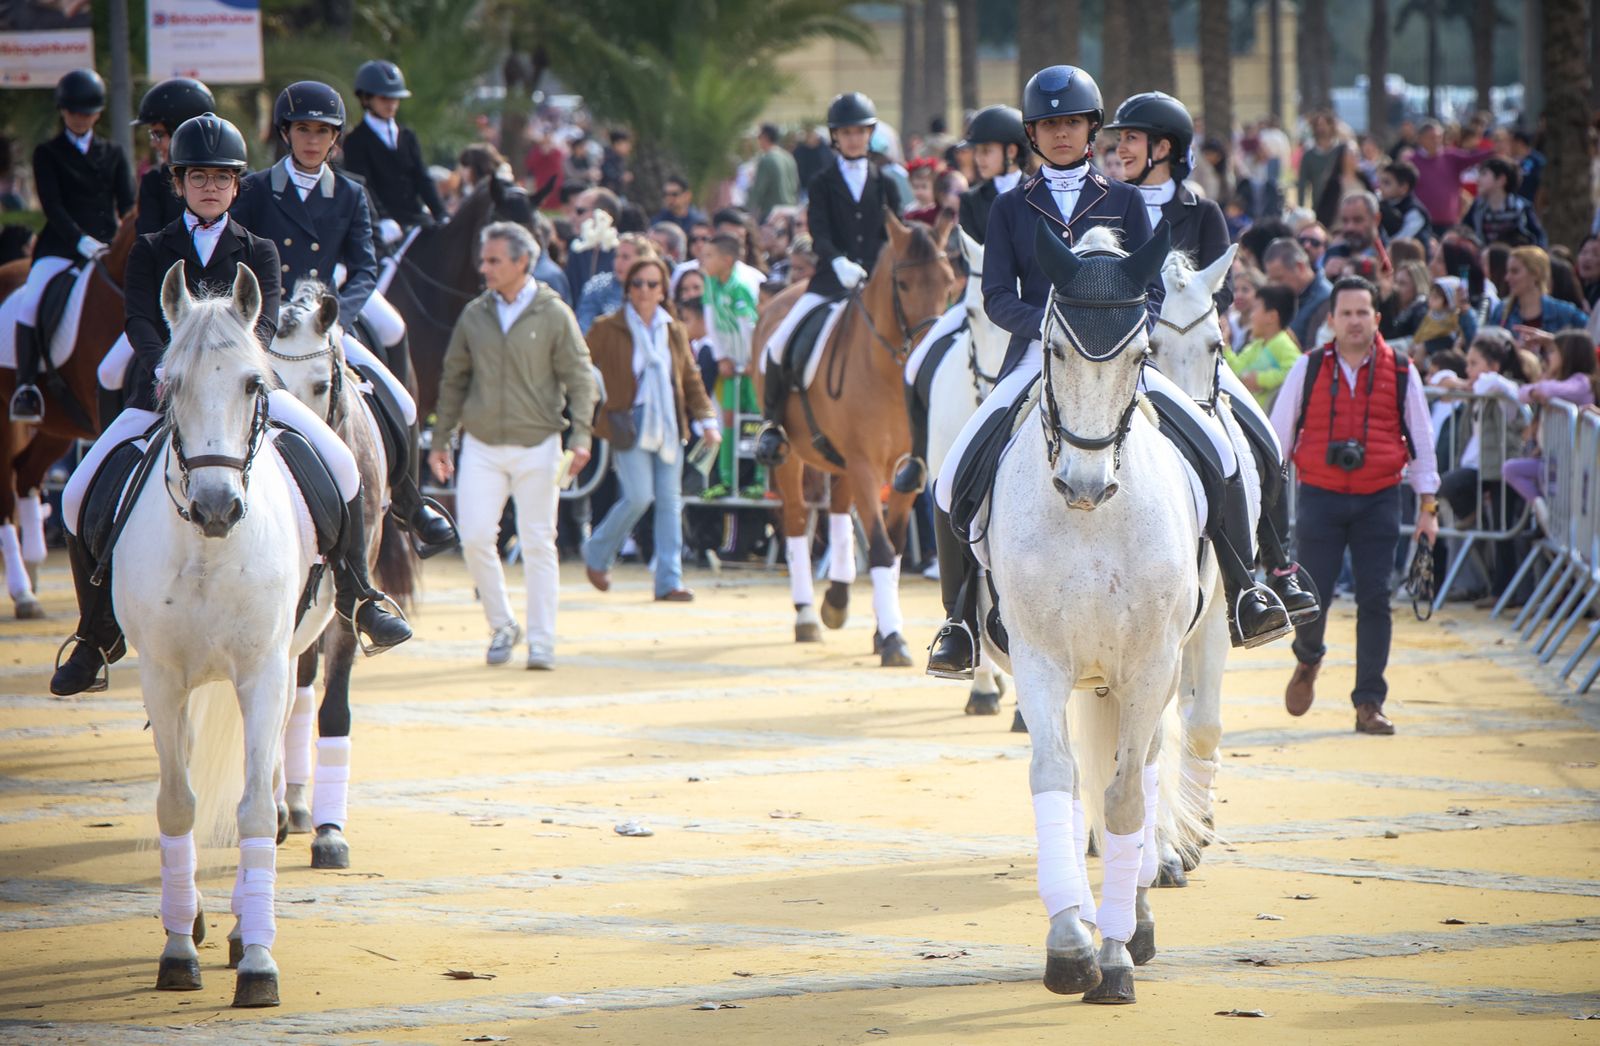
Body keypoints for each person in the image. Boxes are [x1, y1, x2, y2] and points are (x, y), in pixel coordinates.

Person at [924, 65, 1293, 679]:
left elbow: (1151, 286)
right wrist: (1050, 325)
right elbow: (994, 295)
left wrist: (1126, 330)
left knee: (1219, 455)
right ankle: (958, 620)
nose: (1061, 134)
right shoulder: (1012, 208)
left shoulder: (1123, 200)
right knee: (951, 475)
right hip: (1038, 361)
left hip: (1121, 366)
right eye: (1049, 125)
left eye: (1071, 123)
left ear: (1090, 128)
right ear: (1033, 136)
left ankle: (1246, 589)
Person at [49, 113, 411, 695]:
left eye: (221, 178)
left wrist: (242, 369)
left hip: (243, 396)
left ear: (237, 186)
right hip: (166, 393)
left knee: (343, 467)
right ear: (179, 184)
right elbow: (141, 316)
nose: (210, 188)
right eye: (198, 178)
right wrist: (165, 364)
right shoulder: (151, 249)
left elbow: (262, 323)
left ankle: (359, 594)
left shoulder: (259, 250)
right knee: (74, 496)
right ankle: (96, 635)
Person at [1109, 89, 1315, 622]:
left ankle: (1273, 570)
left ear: (1163, 147)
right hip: (1127, 355)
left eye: (1130, 139)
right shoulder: (1108, 203)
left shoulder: (1201, 210)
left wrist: (1192, 308)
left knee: (1263, 445)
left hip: (1194, 355)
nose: (1120, 149)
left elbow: (1222, 290)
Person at [231, 80, 458, 560]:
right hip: (270, 321)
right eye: (304, 130)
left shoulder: (351, 192)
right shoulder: (253, 189)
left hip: (326, 317)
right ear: (286, 133)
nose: (313, 140)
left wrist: (340, 318)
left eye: (323, 131)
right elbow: (242, 259)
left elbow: (366, 267)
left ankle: (411, 502)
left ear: (335, 138)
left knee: (402, 379)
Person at [1270, 276, 1440, 735]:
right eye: (1345, 313)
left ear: (1377, 318)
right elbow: (1278, 438)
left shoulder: (1402, 370)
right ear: (1331, 320)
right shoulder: (1307, 367)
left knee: (1375, 600)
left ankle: (1369, 702)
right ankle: (1308, 660)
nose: (1354, 321)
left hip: (1380, 497)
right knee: (1311, 599)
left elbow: (1422, 443)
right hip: (1321, 496)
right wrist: (1263, 504)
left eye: (1363, 312)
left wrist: (1429, 508)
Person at [429, 222, 598, 669]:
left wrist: (581, 435)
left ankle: (542, 640)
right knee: (476, 536)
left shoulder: (554, 313)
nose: (483, 268)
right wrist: (441, 439)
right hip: (482, 445)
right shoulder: (475, 313)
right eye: (484, 260)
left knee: (540, 541)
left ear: (522, 262)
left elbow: (581, 377)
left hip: (539, 443)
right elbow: (454, 380)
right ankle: (503, 623)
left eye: (493, 260)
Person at [753, 91, 903, 468]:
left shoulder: (885, 181)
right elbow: (818, 231)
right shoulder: (821, 181)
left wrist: (878, 267)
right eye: (846, 132)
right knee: (779, 344)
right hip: (830, 281)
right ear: (836, 137)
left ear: (869, 134)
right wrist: (836, 262)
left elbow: (893, 233)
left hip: (875, 284)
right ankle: (773, 424)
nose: (853, 139)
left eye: (860, 132)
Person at [583, 254, 720, 598]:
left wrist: (707, 420)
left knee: (670, 502)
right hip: (628, 420)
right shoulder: (607, 327)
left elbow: (690, 378)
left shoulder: (673, 329)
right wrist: (588, 408)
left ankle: (669, 580)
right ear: (628, 289)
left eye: (652, 284)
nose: (644, 291)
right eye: (638, 284)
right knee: (639, 496)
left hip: (669, 421)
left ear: (663, 291)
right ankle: (597, 552)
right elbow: (580, 368)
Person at [9, 69, 135, 424]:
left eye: (88, 112)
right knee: (31, 300)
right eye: (75, 112)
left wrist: (122, 243)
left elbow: (127, 205)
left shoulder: (112, 152)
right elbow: (53, 206)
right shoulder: (48, 153)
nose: (81, 119)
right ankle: (26, 387)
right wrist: (81, 241)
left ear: (97, 113)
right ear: (63, 111)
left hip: (107, 246)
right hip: (61, 247)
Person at [1432, 326, 1536, 603]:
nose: (1468, 369)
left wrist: (1469, 383)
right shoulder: (1477, 390)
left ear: (1493, 366)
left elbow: (1494, 384)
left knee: (1503, 533)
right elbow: (1441, 378)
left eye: (1474, 363)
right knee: (1491, 527)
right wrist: (1460, 382)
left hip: (1499, 467)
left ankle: (1505, 591)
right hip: (1480, 467)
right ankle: (1471, 513)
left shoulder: (1501, 391)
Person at [339, 60, 448, 235]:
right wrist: (382, 219)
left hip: (415, 218)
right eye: (384, 98)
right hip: (381, 226)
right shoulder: (355, 141)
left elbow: (423, 177)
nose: (391, 104)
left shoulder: (407, 136)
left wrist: (441, 213)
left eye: (395, 98)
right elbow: (363, 186)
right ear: (366, 98)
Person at [133, 78, 217, 236]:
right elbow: (146, 245)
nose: (153, 144)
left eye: (158, 134)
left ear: (183, 132)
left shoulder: (243, 181)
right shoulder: (154, 182)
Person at [956, 105, 1030, 244]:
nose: (978, 159)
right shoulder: (970, 201)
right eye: (976, 151)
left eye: (986, 151)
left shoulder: (1039, 192)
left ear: (1011, 151)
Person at [1409, 120, 1494, 235]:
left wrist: (1494, 151)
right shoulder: (1411, 162)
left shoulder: (1451, 157)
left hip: (1449, 221)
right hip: (1420, 222)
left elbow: (1472, 157)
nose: (1436, 141)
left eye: (1439, 137)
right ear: (1420, 139)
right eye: (1431, 137)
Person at [1225, 283, 1301, 408]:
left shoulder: (1282, 343)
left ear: (1271, 317)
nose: (1251, 316)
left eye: (1255, 309)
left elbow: (1294, 371)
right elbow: (1236, 370)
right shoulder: (1256, 345)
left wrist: (1261, 380)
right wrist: (1225, 344)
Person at [1490, 247, 1589, 334]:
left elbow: (1593, 335)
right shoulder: (1501, 311)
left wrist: (1552, 343)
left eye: (1515, 271)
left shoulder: (1565, 313)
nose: (1507, 278)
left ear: (1535, 274)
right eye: (1508, 271)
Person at [1263, 238, 1334, 351]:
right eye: (1271, 281)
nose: (1275, 286)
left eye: (1279, 279)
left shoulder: (1327, 301)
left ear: (1300, 267)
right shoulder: (1287, 297)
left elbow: (1315, 353)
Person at [1461, 157, 1547, 248]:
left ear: (1501, 180)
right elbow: (1465, 230)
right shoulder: (1478, 207)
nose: (1478, 180)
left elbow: (1539, 237)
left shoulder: (1520, 208)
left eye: (1484, 174)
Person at [748, 123, 799, 223]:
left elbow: (759, 189)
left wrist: (747, 210)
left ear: (765, 137)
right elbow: (795, 185)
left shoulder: (766, 159)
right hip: (791, 211)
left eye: (759, 137)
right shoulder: (788, 157)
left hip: (772, 213)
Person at [1377, 160, 1434, 250]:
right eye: (1381, 181)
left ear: (1403, 188)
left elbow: (1396, 244)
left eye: (1387, 183)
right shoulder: (1382, 202)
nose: (1380, 187)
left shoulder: (1415, 213)